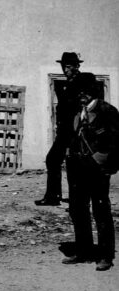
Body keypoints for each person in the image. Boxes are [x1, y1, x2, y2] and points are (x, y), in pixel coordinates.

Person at [62, 73, 117, 272]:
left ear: (93, 91)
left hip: (98, 169)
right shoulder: (78, 112)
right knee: (78, 210)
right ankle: (83, 250)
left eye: (85, 91)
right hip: (78, 169)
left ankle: (105, 255)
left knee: (101, 210)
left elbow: (115, 142)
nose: (81, 95)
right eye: (79, 92)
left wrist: (102, 161)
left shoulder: (107, 111)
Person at [38, 51, 83, 206]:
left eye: (69, 66)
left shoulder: (82, 81)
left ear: (77, 66)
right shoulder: (67, 83)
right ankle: (53, 197)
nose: (66, 69)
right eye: (64, 66)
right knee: (53, 160)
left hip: (76, 132)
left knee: (74, 164)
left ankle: (75, 200)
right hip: (64, 132)